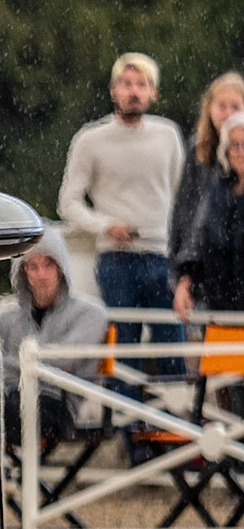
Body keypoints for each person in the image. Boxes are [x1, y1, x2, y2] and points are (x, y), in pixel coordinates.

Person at [59, 52, 185, 375]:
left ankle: (172, 423)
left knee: (172, 343)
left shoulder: (168, 135)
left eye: (142, 84)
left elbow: (180, 197)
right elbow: (68, 202)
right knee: (123, 345)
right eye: (126, 84)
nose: (134, 91)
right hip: (116, 257)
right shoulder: (91, 139)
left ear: (153, 93)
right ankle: (125, 423)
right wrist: (106, 226)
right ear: (113, 91)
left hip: (161, 254)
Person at [0, 227, 109, 438]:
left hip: (59, 402)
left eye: (48, 265)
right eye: (33, 267)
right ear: (23, 272)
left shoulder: (90, 312)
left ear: (61, 268)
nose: (41, 275)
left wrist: (9, 364)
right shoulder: (8, 315)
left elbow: (64, 360)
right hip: (11, 398)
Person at [168, 71, 244, 268]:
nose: (228, 113)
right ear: (209, 108)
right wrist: (180, 260)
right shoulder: (198, 149)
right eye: (221, 106)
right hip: (200, 254)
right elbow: (184, 208)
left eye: (235, 107)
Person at [174, 112, 244, 319]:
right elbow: (198, 240)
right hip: (219, 305)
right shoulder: (217, 192)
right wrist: (185, 282)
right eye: (235, 145)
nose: (240, 151)